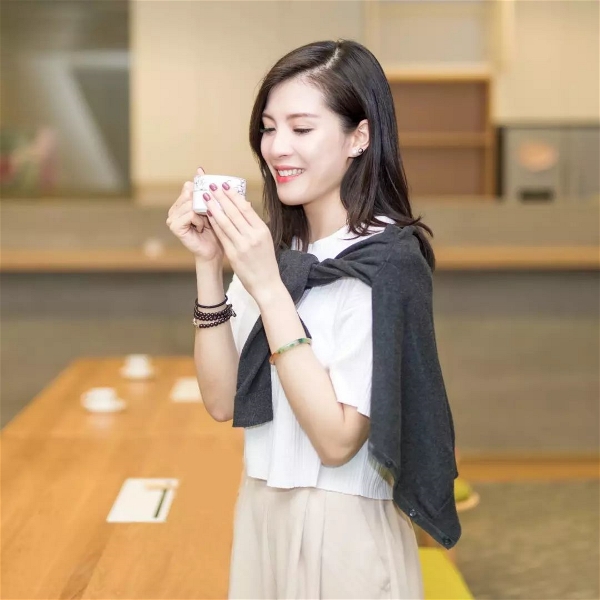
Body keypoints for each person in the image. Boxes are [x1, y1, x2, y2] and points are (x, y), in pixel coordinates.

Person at [167, 39, 460, 600]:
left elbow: (337, 439)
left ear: (359, 136)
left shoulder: (388, 260)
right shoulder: (277, 253)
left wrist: (267, 287)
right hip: (259, 511)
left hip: (343, 530)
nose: (277, 147)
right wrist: (209, 264)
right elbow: (222, 401)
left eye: (301, 128)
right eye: (268, 128)